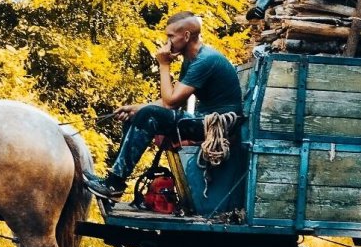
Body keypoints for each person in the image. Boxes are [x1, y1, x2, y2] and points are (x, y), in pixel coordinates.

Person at [84, 11, 243, 203]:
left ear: (185, 36)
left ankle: (114, 185)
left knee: (149, 114)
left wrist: (164, 65)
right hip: (203, 118)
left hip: (217, 123)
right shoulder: (192, 59)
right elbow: (173, 99)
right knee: (140, 115)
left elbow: (170, 102)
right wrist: (135, 108)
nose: (167, 43)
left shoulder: (205, 60)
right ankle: (113, 180)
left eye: (170, 37)